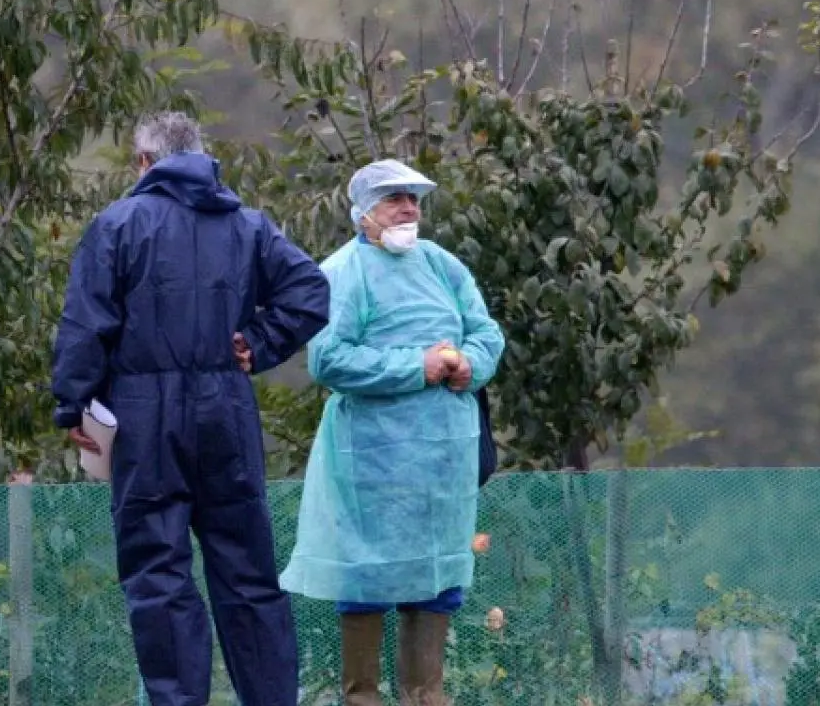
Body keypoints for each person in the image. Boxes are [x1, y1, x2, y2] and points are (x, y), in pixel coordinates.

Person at [51, 111, 331, 706]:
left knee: (159, 575)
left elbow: (86, 325)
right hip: (226, 412)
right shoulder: (249, 226)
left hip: (142, 417)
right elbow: (309, 291)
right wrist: (259, 342)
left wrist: (74, 404)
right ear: (202, 157)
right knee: (248, 575)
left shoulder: (118, 224)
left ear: (144, 163)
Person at [278, 159, 507, 706]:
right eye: (393, 199)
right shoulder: (343, 272)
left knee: (437, 577)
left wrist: (468, 364)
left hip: (445, 462)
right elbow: (329, 358)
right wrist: (416, 367)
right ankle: (362, 697)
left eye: (413, 199)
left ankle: (426, 697)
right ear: (363, 214)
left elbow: (486, 332)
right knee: (367, 581)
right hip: (373, 462)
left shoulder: (442, 266)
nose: (408, 208)